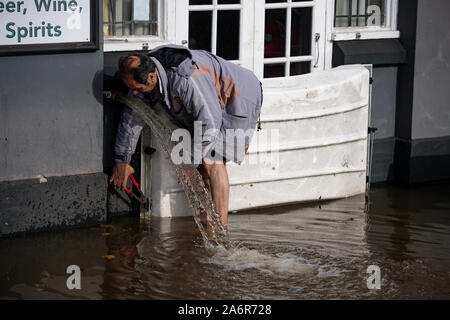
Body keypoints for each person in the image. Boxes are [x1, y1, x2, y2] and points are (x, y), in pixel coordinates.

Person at [109, 44, 263, 228]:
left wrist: (189, 164)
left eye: (137, 89)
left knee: (212, 159)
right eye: (130, 88)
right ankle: (206, 219)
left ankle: (221, 231)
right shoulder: (147, 70)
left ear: (151, 77)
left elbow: (210, 125)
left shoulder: (187, 78)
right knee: (200, 159)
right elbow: (131, 117)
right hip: (207, 100)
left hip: (238, 96)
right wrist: (122, 160)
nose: (133, 93)